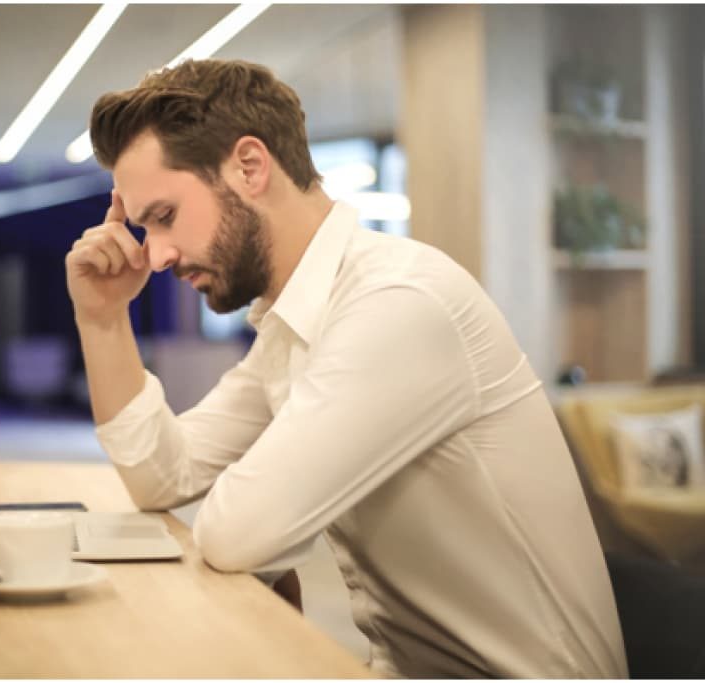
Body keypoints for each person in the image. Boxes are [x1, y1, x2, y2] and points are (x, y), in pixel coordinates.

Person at [64, 58, 627, 678]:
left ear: (249, 167)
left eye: (165, 217)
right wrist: (103, 319)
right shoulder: (295, 323)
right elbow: (162, 477)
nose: (158, 254)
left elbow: (237, 533)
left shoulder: (399, 302)